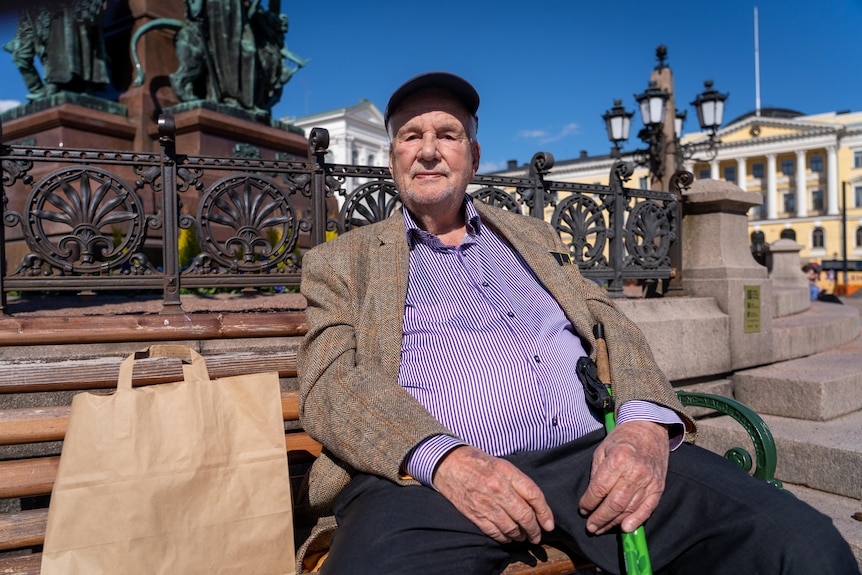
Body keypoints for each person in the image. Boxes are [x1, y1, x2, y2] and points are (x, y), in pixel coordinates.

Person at [297, 72, 858, 574]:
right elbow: (329, 383)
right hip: (427, 478)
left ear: (472, 153)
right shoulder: (343, 260)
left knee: (801, 544)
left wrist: (643, 427)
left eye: (446, 134)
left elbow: (612, 322)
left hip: (591, 454)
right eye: (410, 136)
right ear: (392, 156)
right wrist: (445, 459)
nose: (428, 151)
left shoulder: (532, 236)